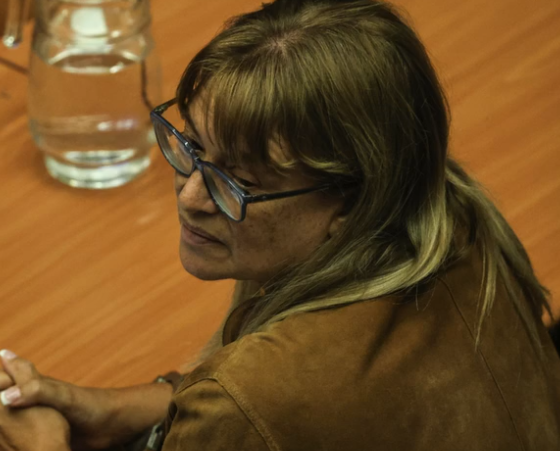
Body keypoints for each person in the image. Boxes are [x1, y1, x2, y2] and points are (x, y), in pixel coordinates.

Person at [1, 0, 559, 449]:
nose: (192, 197)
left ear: (351, 204)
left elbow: (257, 410)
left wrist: (41, 446)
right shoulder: (450, 210)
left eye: (241, 182)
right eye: (191, 144)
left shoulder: (248, 402)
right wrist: (112, 408)